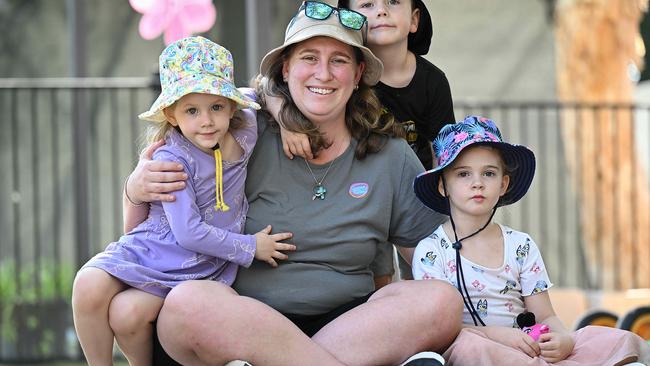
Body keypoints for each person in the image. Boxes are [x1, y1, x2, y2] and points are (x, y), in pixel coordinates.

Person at [124, 2, 463, 365]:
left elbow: (435, 258)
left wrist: (481, 331)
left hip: (353, 327)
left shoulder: (390, 155)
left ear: (359, 72)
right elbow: (155, 229)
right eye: (309, 58)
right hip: (239, 320)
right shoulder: (237, 131)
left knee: (440, 301)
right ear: (285, 69)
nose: (324, 73)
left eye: (339, 60)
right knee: (187, 304)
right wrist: (134, 192)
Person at [71, 36, 294, 366]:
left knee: (127, 314)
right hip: (156, 253)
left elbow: (262, 90)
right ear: (172, 116)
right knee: (88, 284)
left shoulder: (245, 127)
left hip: (200, 268)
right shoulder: (172, 160)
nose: (206, 120)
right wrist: (251, 247)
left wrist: (288, 123)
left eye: (216, 107)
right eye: (192, 110)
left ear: (231, 106)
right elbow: (187, 232)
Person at [411, 115, 650, 365]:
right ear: (442, 185)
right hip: (471, 347)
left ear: (503, 184)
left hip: (527, 346)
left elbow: (545, 315)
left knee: (608, 340)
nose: (477, 183)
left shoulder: (519, 245)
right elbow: (439, 331)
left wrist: (562, 339)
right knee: (472, 348)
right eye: (463, 174)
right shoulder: (432, 251)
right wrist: (500, 337)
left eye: (489, 173)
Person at [277, 0, 455, 284]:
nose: (381, 11)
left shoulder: (432, 81)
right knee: (375, 265)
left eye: (393, 2)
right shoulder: (343, 76)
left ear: (414, 19)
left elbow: (443, 147)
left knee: (426, 272)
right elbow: (267, 87)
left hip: (417, 190)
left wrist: (444, 195)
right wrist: (284, 120)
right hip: (364, 186)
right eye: (368, 4)